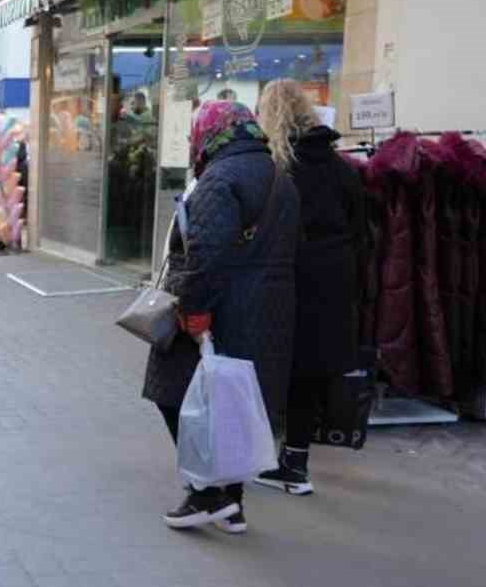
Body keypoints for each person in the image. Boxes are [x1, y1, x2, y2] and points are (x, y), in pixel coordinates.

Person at [142, 100, 299, 534]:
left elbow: (206, 253)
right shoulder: (279, 176)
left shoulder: (220, 179)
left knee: (173, 393)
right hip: (267, 313)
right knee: (232, 404)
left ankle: (205, 493)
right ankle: (231, 500)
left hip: (219, 309)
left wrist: (193, 309)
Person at [254, 80, 365, 496]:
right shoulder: (341, 168)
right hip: (335, 281)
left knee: (275, 366)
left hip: (291, 279)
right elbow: (361, 230)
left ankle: (265, 456)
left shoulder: (279, 167)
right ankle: (295, 461)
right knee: (309, 374)